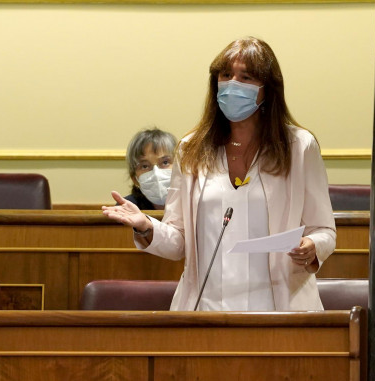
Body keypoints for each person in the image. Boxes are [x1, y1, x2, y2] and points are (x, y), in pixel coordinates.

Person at [103, 37, 336, 311]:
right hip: (206, 308)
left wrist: (312, 246)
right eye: (226, 75)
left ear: (267, 89)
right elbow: (179, 240)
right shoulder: (192, 148)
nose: (232, 85)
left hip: (279, 309)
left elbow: (324, 230)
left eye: (245, 76)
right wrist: (146, 227)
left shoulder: (299, 146)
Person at [124, 127, 178, 210]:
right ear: (134, 178)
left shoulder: (192, 203)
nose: (156, 173)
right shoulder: (126, 207)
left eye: (165, 162)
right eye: (145, 166)